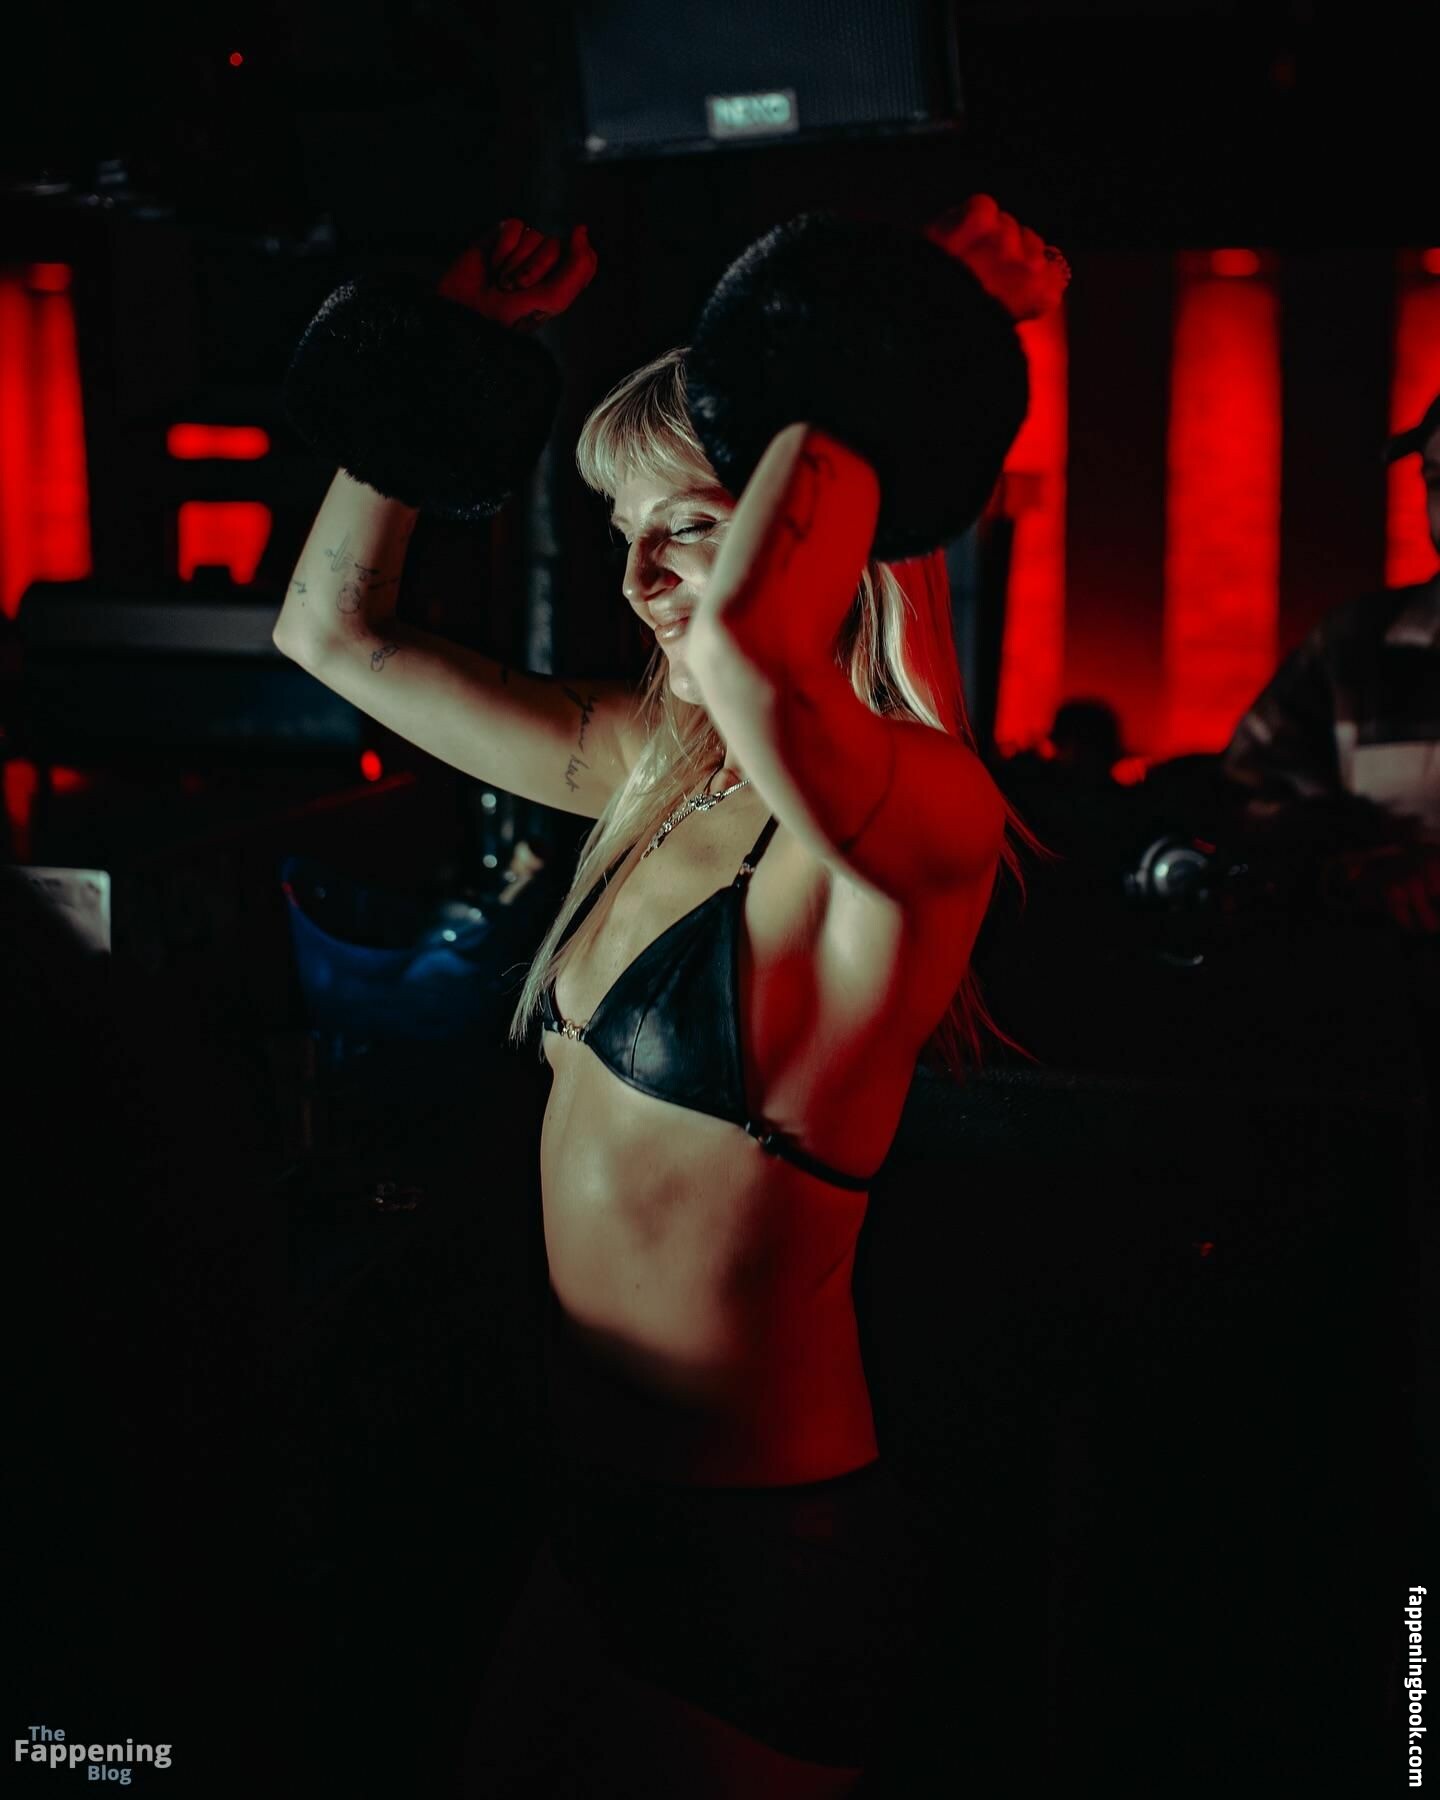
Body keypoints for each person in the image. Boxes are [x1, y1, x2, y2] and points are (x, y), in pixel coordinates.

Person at [273, 199, 1063, 1796]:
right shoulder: (650, 770)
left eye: (688, 526)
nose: (638, 576)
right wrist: (445, 357)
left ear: (823, 536)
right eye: (621, 527)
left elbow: (768, 662)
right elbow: (328, 634)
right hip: (585, 1508)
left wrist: (892, 340)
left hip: (755, 1556)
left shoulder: (923, 812)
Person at [1221, 388, 1440, 934]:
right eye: (1438, 481)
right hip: (1388, 973)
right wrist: (1356, 856)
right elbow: (1241, 796)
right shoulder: (1353, 647)